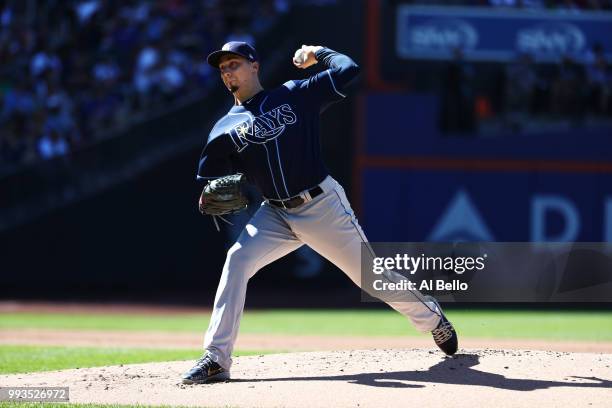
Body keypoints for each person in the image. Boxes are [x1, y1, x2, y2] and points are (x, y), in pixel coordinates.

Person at [182, 41, 458, 384]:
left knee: (373, 280)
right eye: (223, 68)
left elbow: (349, 70)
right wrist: (221, 189)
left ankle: (433, 319)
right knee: (237, 261)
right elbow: (217, 178)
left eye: (234, 64)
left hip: (321, 205)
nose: (228, 72)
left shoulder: (294, 94)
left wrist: (319, 53)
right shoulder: (223, 129)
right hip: (275, 214)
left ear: (255, 66)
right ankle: (217, 358)